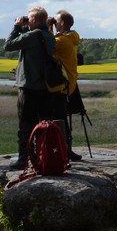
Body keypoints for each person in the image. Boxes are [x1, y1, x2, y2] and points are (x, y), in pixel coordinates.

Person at [4, 6, 55, 169]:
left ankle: (24, 159)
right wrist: (24, 30)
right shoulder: (49, 36)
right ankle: (44, 156)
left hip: (28, 87)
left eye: (28, 18)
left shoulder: (32, 36)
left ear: (33, 20)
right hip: (46, 87)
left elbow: (9, 45)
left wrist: (17, 27)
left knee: (26, 125)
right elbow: (29, 42)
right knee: (44, 125)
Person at [49, 10, 83, 162]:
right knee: (61, 117)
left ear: (62, 23)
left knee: (58, 118)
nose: (55, 24)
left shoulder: (62, 40)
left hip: (60, 85)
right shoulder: (71, 37)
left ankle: (64, 150)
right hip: (67, 84)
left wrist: (47, 27)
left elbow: (47, 47)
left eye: (56, 21)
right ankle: (66, 149)